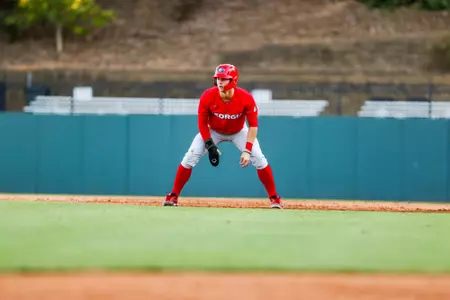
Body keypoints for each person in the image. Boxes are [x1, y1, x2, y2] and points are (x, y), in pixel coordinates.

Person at [163, 64, 283, 209]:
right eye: (218, 78)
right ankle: (173, 196)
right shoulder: (208, 95)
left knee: (258, 157)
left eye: (224, 79)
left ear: (234, 80)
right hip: (213, 131)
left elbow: (253, 126)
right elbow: (201, 123)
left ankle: (274, 198)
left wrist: (247, 150)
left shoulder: (245, 98)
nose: (220, 82)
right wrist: (210, 144)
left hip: (238, 131)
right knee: (189, 157)